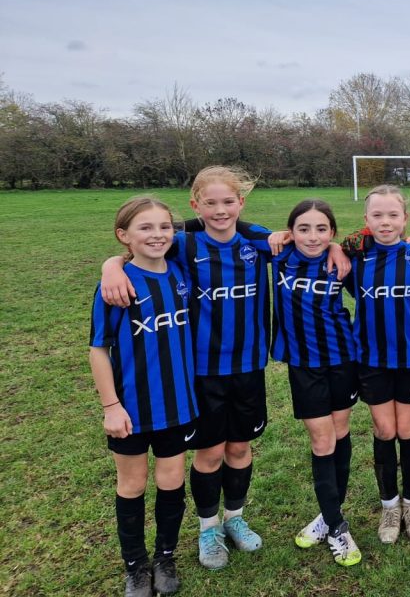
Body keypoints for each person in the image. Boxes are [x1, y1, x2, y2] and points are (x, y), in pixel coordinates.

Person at [102, 167, 273, 571]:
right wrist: (112, 265)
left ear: (241, 203)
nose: (220, 210)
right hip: (201, 371)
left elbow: (305, 241)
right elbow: (141, 248)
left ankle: (235, 518)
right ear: (195, 205)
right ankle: (208, 528)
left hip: (249, 366)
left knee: (240, 448)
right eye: (210, 203)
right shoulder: (183, 244)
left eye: (228, 202)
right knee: (209, 452)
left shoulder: (259, 242)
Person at [90, 197, 197, 597]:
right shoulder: (116, 285)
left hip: (178, 404)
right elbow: (98, 349)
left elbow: (208, 226)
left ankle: (165, 557)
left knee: (171, 481)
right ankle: (135, 566)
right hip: (131, 408)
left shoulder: (181, 271)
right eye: (145, 228)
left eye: (164, 226)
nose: (157, 235)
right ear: (124, 235)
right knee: (132, 484)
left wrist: (112, 261)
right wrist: (111, 406)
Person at [343, 185, 410, 545]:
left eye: (393, 215)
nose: (386, 221)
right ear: (366, 219)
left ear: (405, 219)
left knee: (408, 429)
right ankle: (389, 506)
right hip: (371, 359)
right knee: (384, 430)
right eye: (377, 215)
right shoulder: (355, 258)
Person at [273, 200, 362, 566]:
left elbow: (378, 245)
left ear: (332, 232)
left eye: (322, 229)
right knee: (322, 440)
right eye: (304, 228)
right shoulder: (278, 256)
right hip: (303, 365)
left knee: (340, 433)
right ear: (290, 232)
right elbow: (216, 227)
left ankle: (328, 516)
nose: (313, 236)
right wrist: (113, 263)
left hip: (342, 358)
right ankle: (338, 526)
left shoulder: (341, 263)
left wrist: (339, 248)